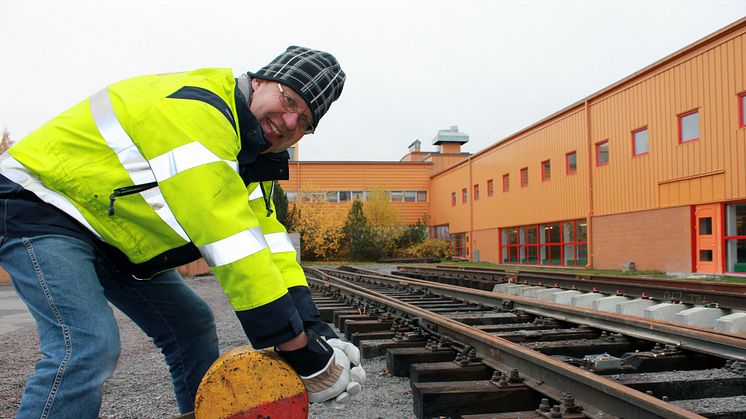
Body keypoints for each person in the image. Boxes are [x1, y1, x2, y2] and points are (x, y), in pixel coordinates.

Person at [0, 45, 364, 418]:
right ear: (259, 82)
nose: (289, 122)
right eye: (288, 101)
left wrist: (316, 330)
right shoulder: (200, 113)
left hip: (110, 236)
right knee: (87, 345)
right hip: (42, 203)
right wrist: (299, 350)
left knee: (192, 326)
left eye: (304, 121)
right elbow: (231, 241)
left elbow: (270, 244)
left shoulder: (253, 158)